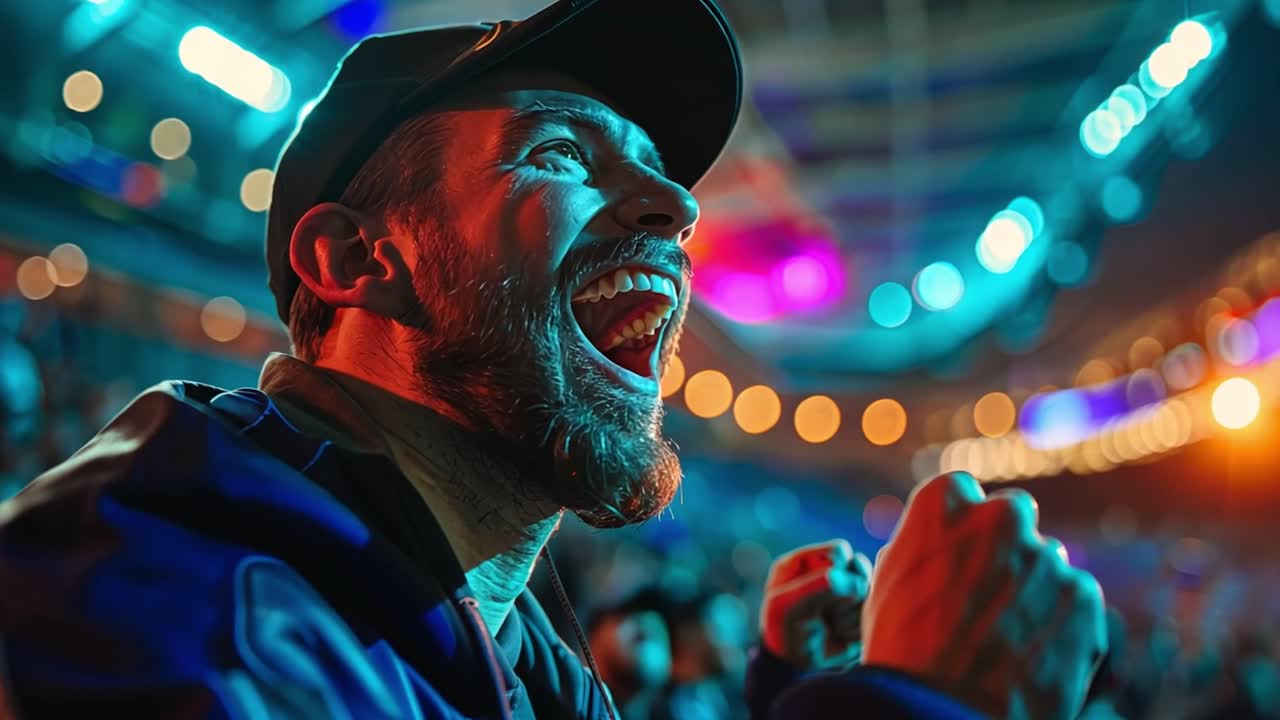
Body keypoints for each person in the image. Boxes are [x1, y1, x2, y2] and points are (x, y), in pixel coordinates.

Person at [0, 0, 1105, 717]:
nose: (676, 207)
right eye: (561, 150)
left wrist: (800, 695)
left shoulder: (508, 631)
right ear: (355, 260)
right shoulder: (144, 594)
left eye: (665, 184)